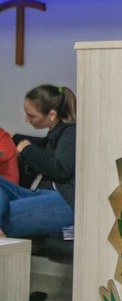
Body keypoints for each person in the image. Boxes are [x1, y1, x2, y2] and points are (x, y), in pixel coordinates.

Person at [0, 85, 76, 238]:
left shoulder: (70, 133)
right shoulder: (54, 135)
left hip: (66, 201)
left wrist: (28, 150)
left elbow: (61, 170)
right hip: (40, 193)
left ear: (52, 114)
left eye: (31, 116)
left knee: (8, 217)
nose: (26, 120)